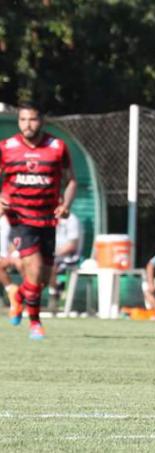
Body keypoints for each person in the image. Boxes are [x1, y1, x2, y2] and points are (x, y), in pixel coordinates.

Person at [0, 102, 77, 340]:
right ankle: (35, 323)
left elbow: (71, 180)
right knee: (32, 270)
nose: (27, 125)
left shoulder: (57, 147)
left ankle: (19, 296)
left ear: (41, 120)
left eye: (32, 119)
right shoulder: (6, 147)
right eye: (23, 120)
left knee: (41, 279)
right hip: (20, 218)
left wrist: (66, 205)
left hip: (48, 219)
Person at [47, 211, 83, 311]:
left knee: (49, 263)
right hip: (53, 256)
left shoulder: (71, 219)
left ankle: (54, 294)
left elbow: (72, 246)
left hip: (70, 258)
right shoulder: (47, 217)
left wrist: (52, 253)